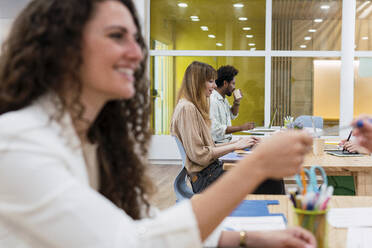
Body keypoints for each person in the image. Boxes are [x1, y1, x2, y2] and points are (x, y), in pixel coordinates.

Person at [0, 0, 316, 247]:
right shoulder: (16, 144)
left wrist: (248, 239)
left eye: (136, 40)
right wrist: (257, 165)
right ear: (62, 48)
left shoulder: (96, 143)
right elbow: (130, 243)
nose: (137, 53)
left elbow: (146, 224)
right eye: (116, 36)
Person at [171, 61, 259, 194]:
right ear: (198, 82)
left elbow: (207, 148)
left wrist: (239, 143)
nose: (214, 85)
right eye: (211, 81)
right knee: (267, 178)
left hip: (211, 172)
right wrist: (235, 146)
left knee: (266, 175)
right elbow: (200, 155)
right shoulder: (187, 108)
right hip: (206, 179)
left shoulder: (191, 107)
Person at [210, 65, 255, 144]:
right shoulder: (213, 100)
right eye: (233, 84)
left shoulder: (223, 99)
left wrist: (237, 102)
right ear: (225, 83)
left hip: (226, 142)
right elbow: (216, 129)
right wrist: (241, 128)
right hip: (218, 144)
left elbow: (232, 115)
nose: (234, 87)